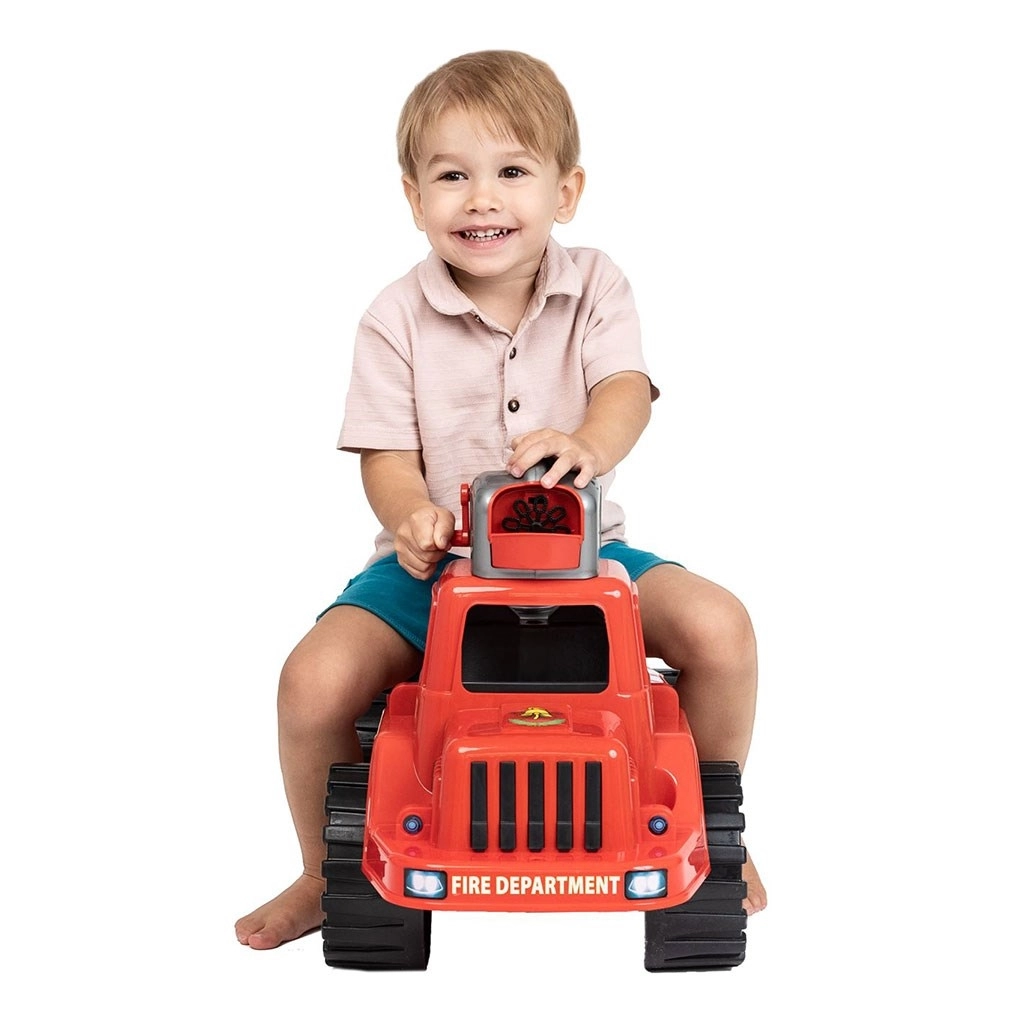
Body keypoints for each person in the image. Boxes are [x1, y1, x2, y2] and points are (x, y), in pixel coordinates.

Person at [236, 49, 766, 951]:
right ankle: (326, 872)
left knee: (722, 628)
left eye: (512, 172)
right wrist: (409, 513)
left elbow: (625, 390)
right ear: (415, 198)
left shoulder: (596, 284)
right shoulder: (394, 317)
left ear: (567, 191)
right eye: (453, 177)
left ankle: (713, 835)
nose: (482, 199)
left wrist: (589, 444)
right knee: (311, 682)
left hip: (590, 560)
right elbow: (385, 455)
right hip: (432, 569)